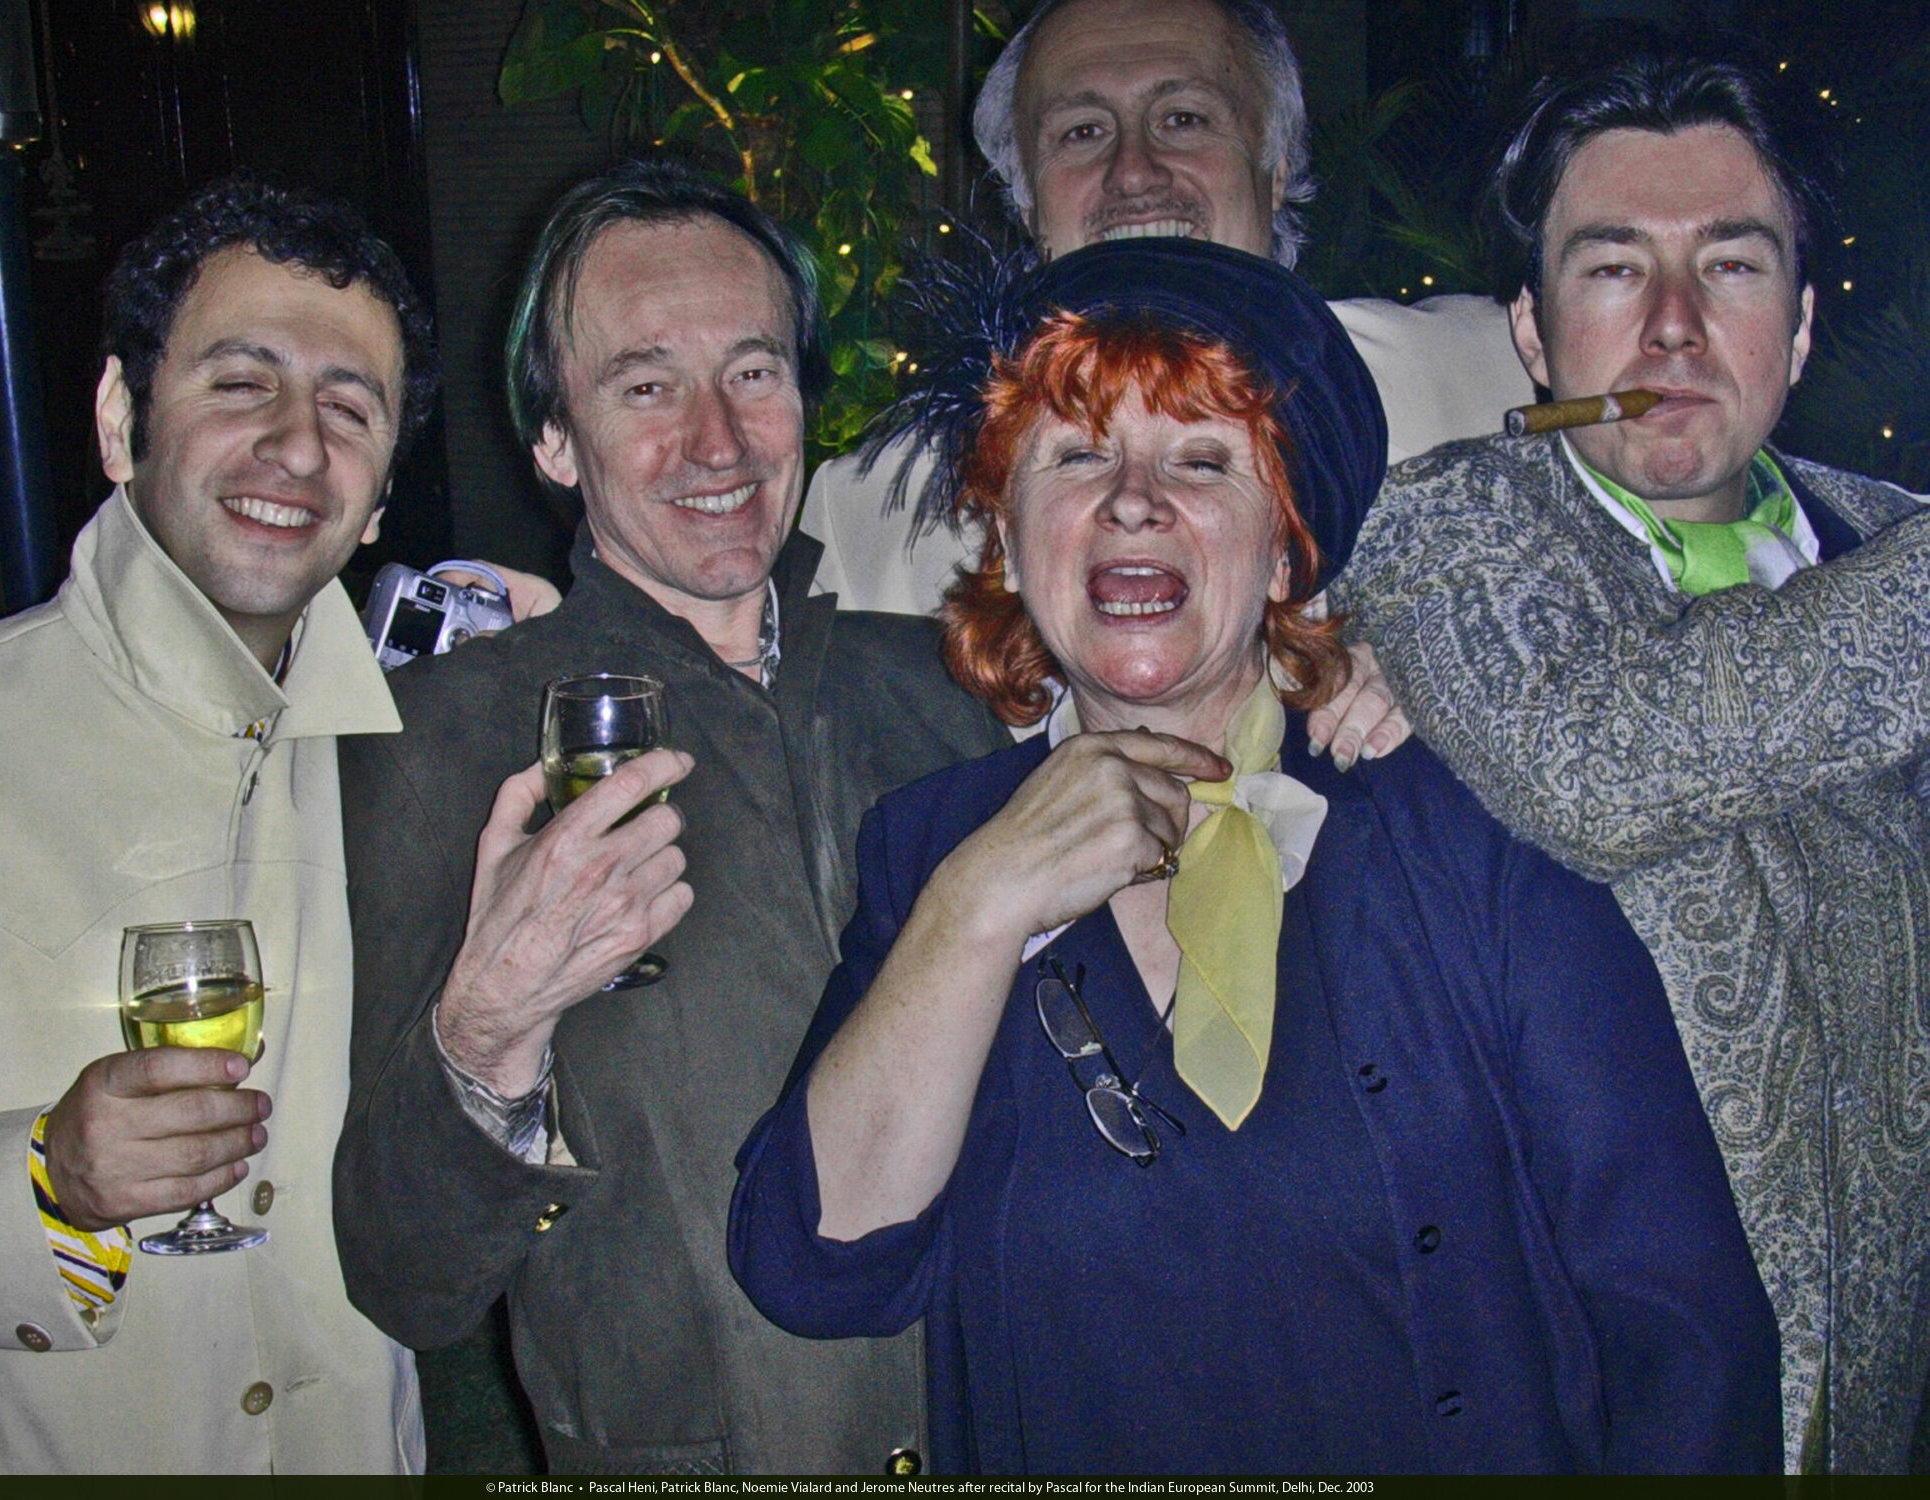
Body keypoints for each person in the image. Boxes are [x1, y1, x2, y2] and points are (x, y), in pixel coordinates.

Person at [728, 236, 1779, 1475]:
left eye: (1201, 460)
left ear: (1282, 549)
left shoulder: (1462, 825)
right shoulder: (930, 849)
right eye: (1076, 456)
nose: (1133, 501)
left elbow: (1681, 1323)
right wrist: (978, 903)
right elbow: (813, 1268)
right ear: (1005, 535)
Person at [332, 161, 1006, 1475]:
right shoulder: (440, 745)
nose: (718, 441)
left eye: (753, 372)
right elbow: (405, 1280)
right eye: (646, 387)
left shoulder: (943, 689)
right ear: (553, 441)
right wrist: (487, 1030)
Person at [1337, 52, 1930, 1472]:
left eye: (1729, 267)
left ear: (1798, 326)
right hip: (1601, 1420)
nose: (1672, 325)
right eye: (1613, 270)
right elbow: (1597, 766)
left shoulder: (1882, 539)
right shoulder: (1445, 531)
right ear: (1533, 337)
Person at [0, 177, 435, 1471]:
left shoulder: (419, 755)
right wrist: (41, 1182)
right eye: (241, 382)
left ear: (381, 494)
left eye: (350, 408)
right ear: (120, 419)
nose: (298, 446)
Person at [798, 0, 1535, 743]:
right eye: (1083, 132)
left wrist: (1469, 668)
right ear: (1024, 199)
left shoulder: (1495, 383)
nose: (1133, 172)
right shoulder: (868, 520)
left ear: (1275, 168)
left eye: (1183, 119)